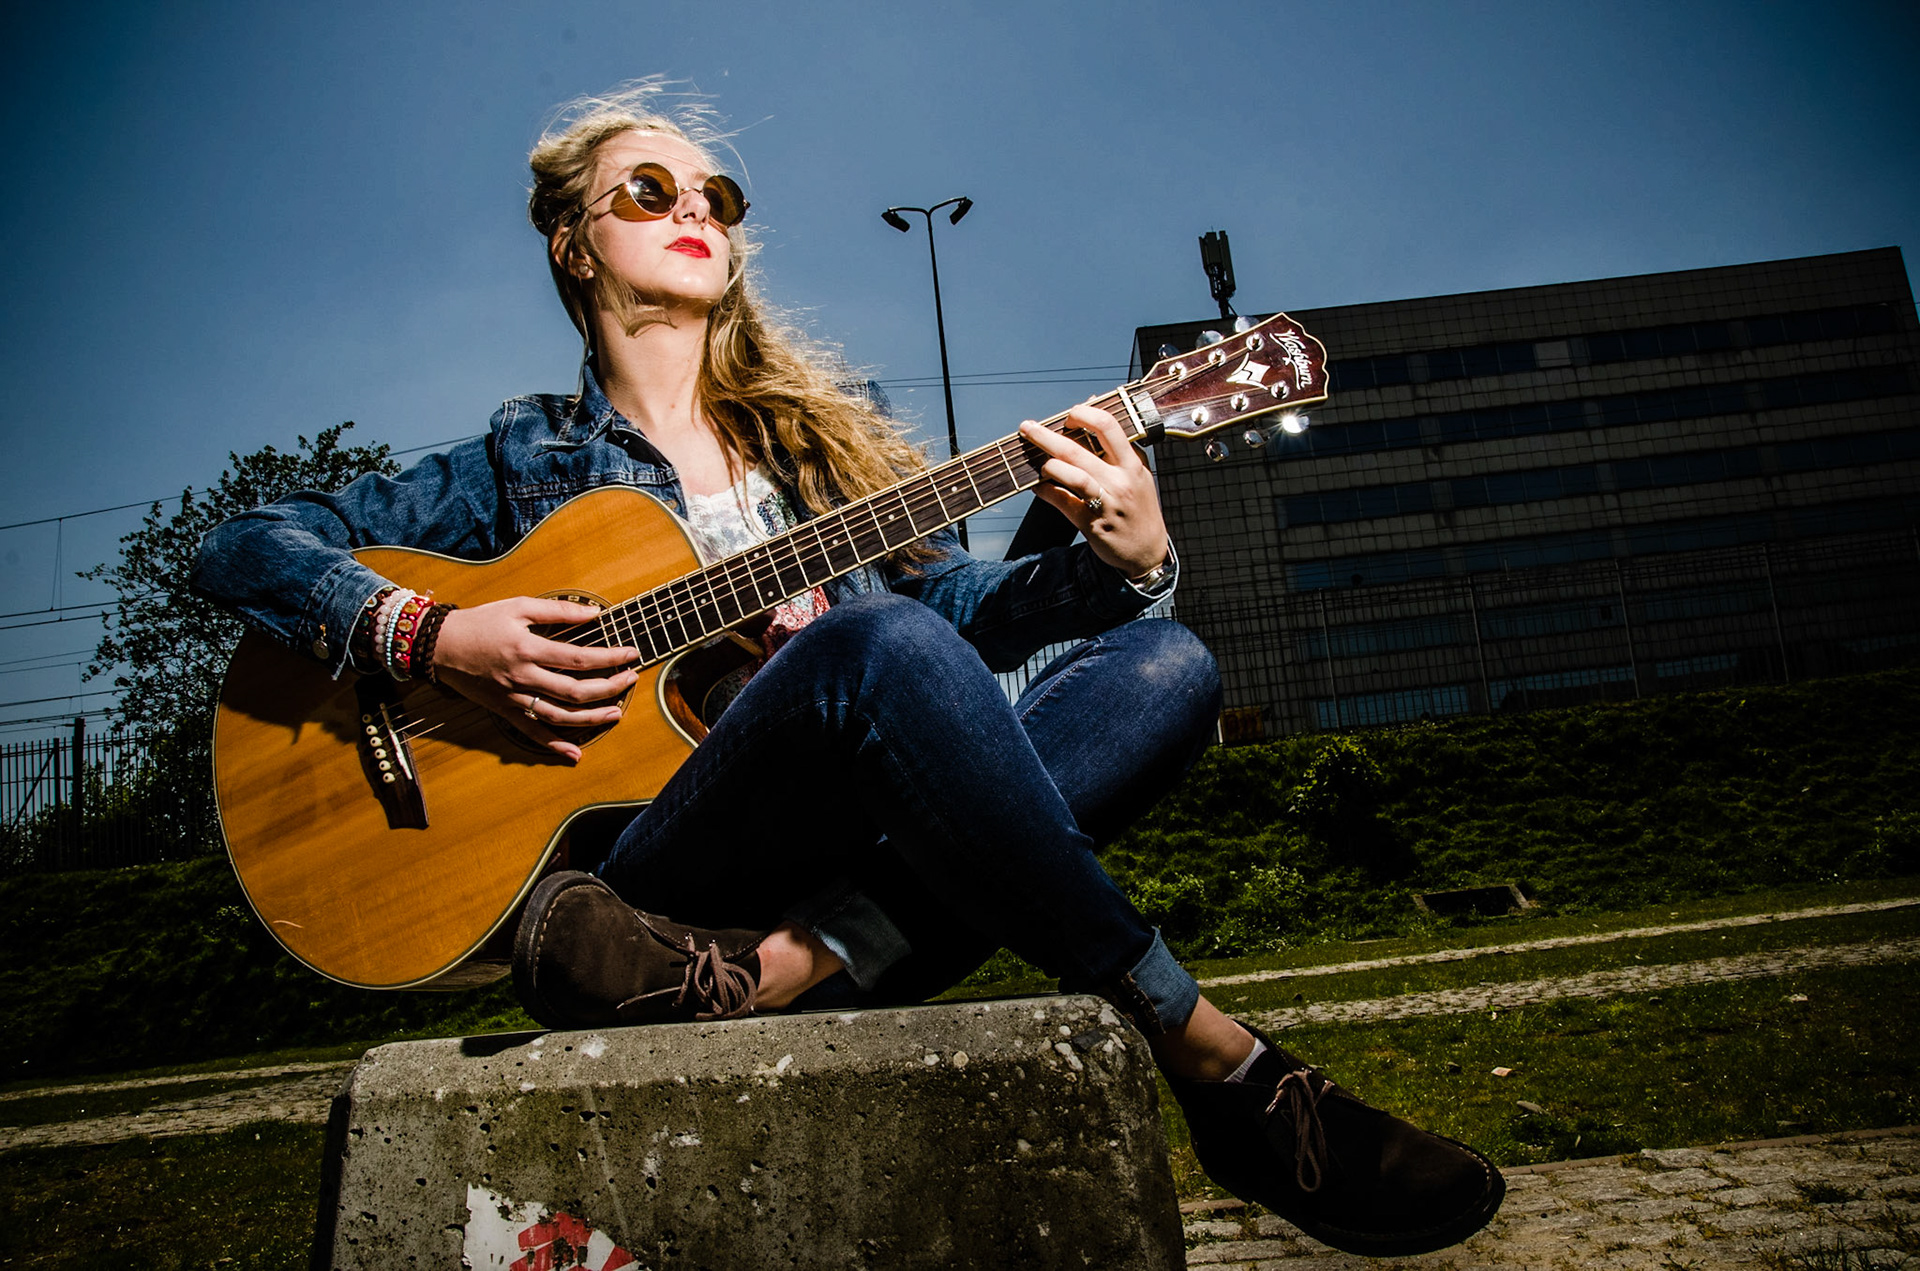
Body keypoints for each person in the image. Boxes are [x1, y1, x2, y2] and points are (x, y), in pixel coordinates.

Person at [191, 84, 1503, 1257]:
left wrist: (1125, 559)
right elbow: (243, 545)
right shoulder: (521, 463)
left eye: (717, 196)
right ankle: (1215, 1056)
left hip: (835, 868)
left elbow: (964, 615)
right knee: (877, 645)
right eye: (648, 189)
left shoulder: (821, 454)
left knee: (1165, 664)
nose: (694, 208)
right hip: (658, 877)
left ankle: (785, 968)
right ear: (572, 243)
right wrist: (431, 637)